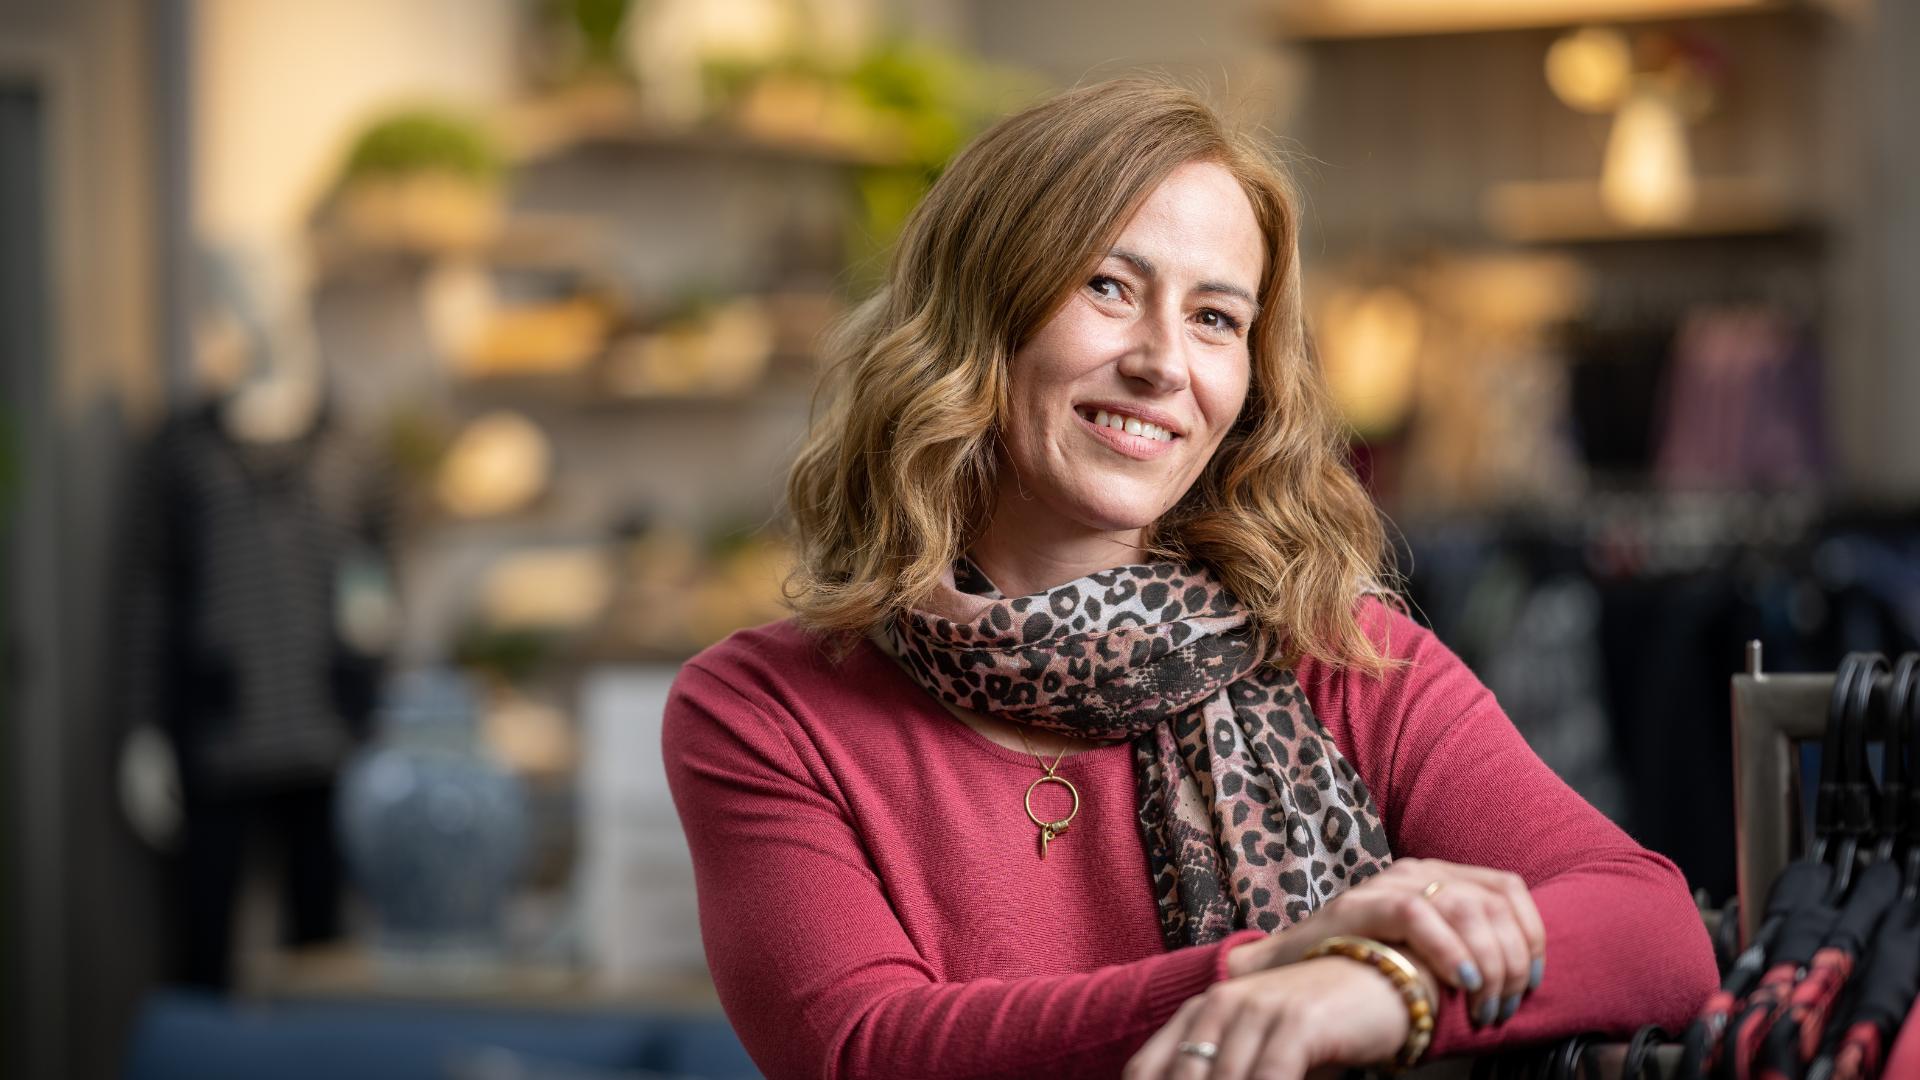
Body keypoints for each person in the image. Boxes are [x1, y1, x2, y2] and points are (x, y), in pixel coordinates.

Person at [661, 77, 1718, 1080]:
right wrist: (1263, 972)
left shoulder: (1341, 657)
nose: (1165, 362)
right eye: (1109, 288)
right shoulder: (763, 709)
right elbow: (867, 1050)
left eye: (1216, 318)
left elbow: (1654, 929)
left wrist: (1374, 988)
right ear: (977, 319)